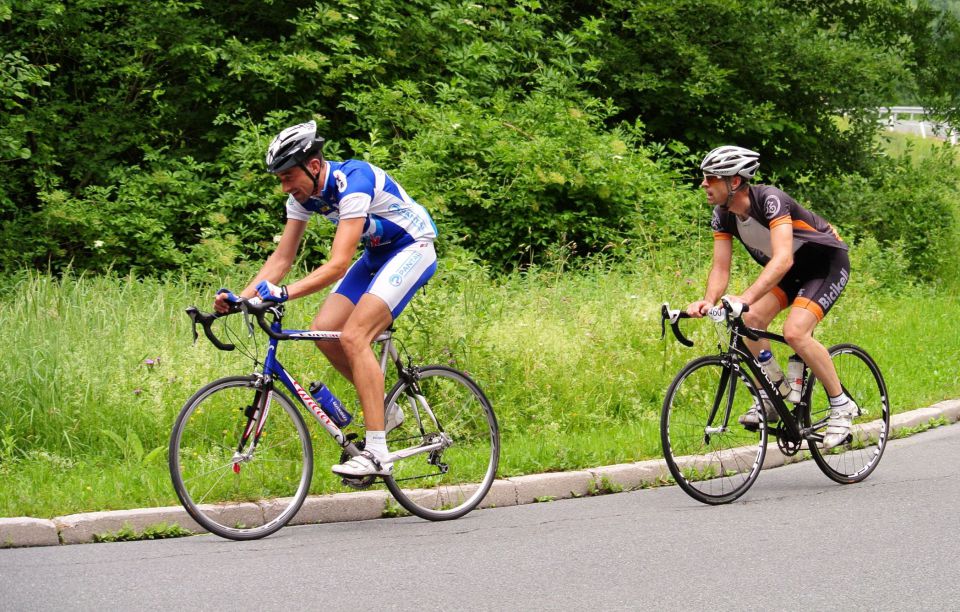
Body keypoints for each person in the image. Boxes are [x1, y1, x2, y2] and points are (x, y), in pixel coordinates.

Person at [214, 119, 438, 476]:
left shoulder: (354, 182)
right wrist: (242, 299)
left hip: (413, 247)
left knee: (354, 335)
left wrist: (283, 294)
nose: (285, 186)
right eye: (280, 179)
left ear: (314, 165)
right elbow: (282, 259)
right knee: (324, 330)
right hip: (378, 255)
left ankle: (377, 452)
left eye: (289, 176)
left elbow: (336, 265)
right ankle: (384, 410)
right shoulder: (303, 198)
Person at [685, 145, 855, 449]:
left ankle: (841, 405)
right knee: (749, 319)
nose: (704, 184)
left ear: (734, 182)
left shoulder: (770, 200)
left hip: (825, 264)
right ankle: (773, 395)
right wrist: (708, 301)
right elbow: (720, 268)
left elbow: (782, 260)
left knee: (795, 332)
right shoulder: (722, 216)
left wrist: (745, 296)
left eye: (711, 178)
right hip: (792, 273)